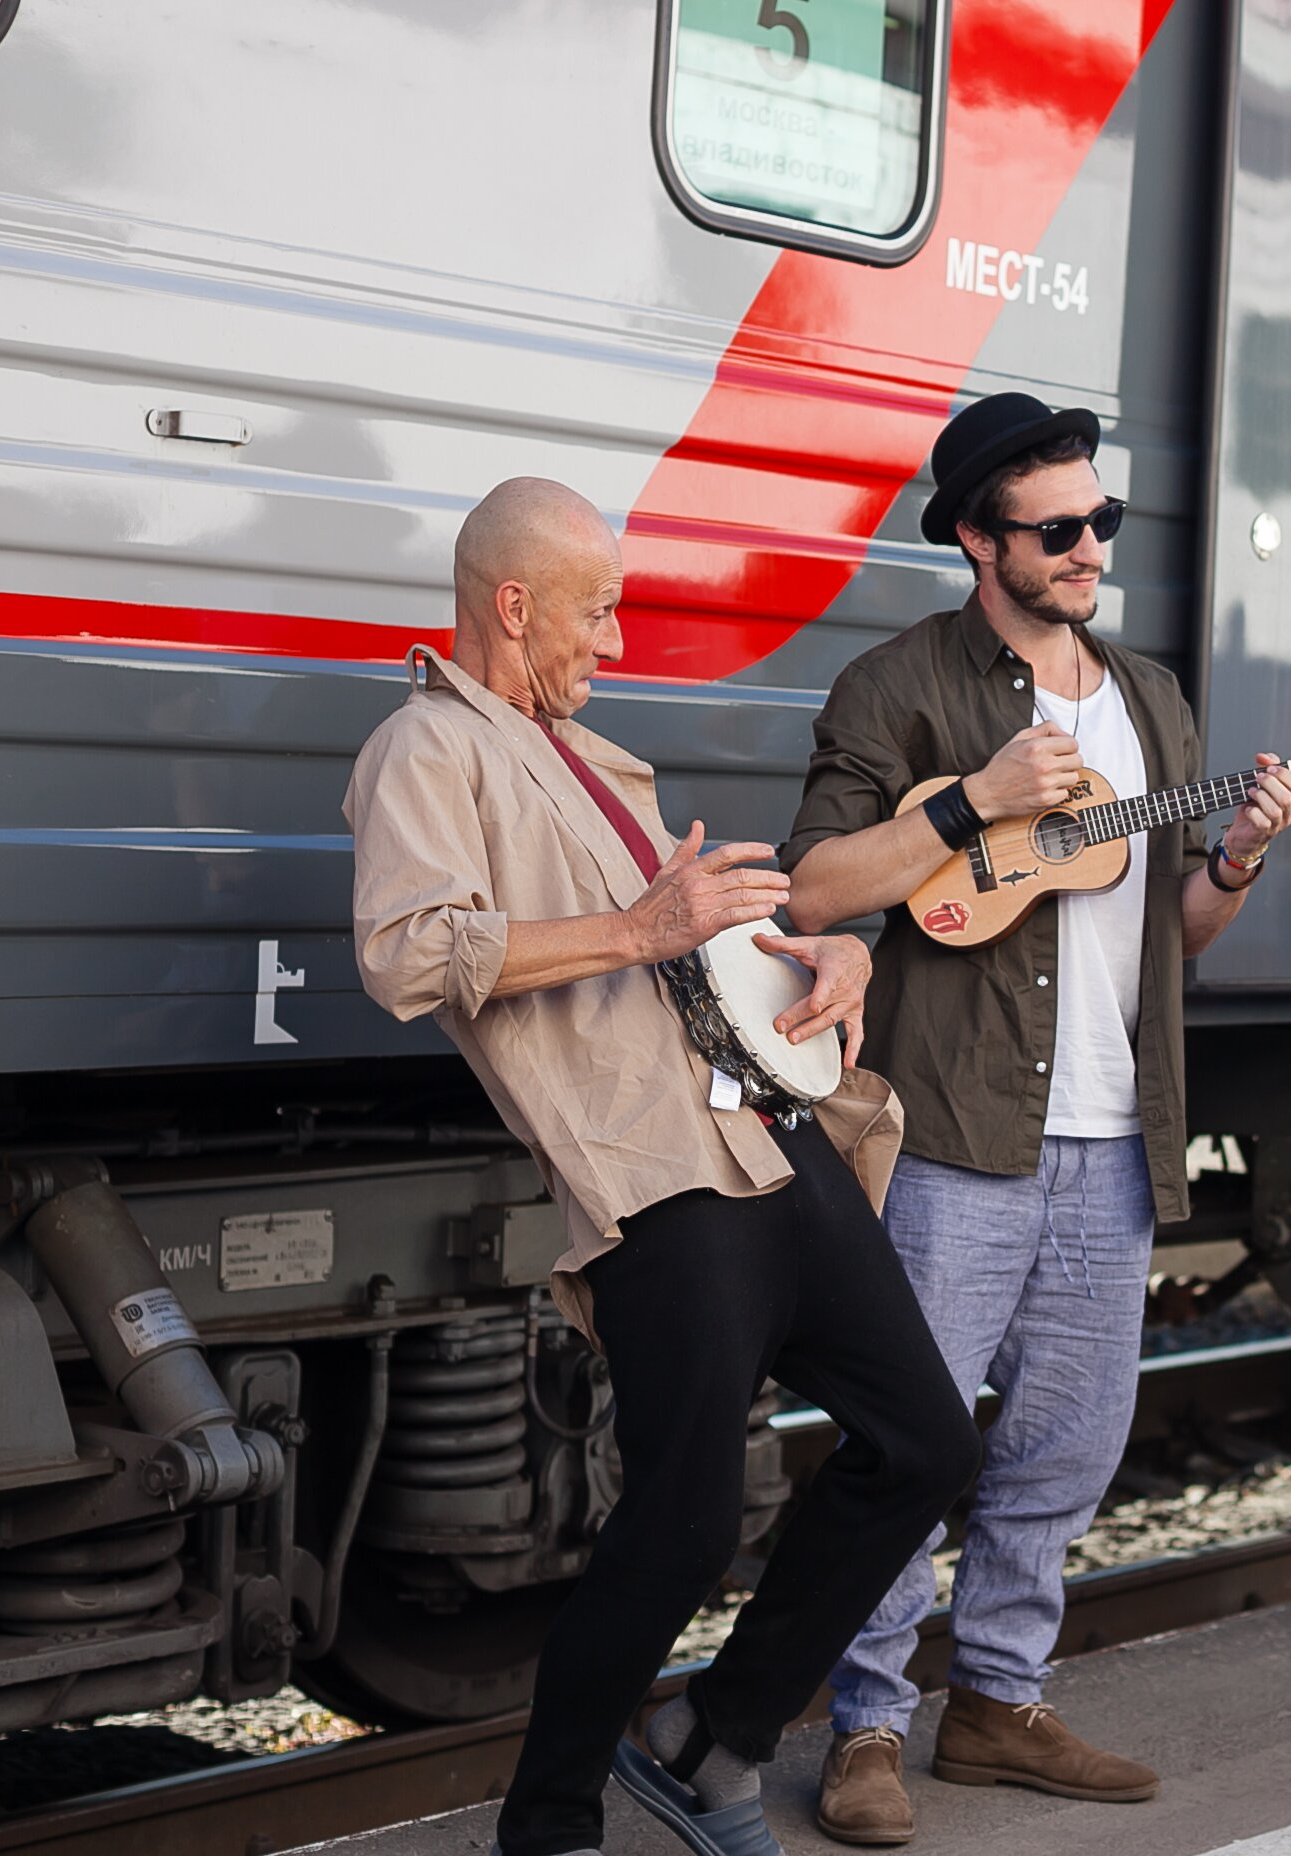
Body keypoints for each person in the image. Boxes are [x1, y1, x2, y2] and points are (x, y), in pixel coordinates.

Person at [346, 479, 982, 1856]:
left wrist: (825, 955)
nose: (614, 640)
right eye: (596, 610)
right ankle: (552, 1821)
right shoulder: (424, 752)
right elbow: (407, 954)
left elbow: (691, 946)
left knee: (927, 1442)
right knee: (685, 1519)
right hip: (653, 1178)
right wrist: (638, 925)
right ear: (513, 606)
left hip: (767, 1134)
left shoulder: (592, 754)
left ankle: (710, 1740)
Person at [779, 393, 1291, 1846]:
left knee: (1065, 1449)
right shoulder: (896, 687)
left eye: (1102, 523)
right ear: (974, 538)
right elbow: (814, 888)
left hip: (1111, 1136)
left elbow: (1174, 942)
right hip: (952, 1132)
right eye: (1056, 529)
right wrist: (971, 810)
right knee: (911, 1439)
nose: (1089, 549)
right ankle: (868, 1725)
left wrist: (1243, 860)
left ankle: (1001, 1702)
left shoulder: (1150, 701)